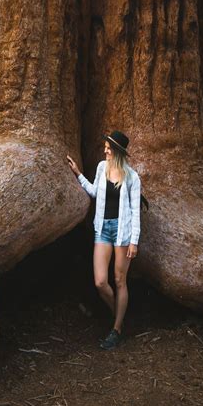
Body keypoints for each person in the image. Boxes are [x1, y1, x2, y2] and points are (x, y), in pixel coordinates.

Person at [67, 131, 141, 350]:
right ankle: (118, 316)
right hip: (102, 229)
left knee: (120, 281)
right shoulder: (102, 168)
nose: (105, 150)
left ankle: (116, 329)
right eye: (105, 147)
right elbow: (93, 192)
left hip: (123, 232)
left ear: (117, 151)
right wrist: (78, 174)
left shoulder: (132, 177)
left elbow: (135, 211)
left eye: (109, 147)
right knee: (100, 281)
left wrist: (134, 241)